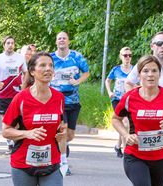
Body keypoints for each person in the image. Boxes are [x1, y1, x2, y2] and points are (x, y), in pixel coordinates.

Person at [112, 55, 163, 186]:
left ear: (159, 74)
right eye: (145, 71)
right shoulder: (129, 97)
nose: (150, 74)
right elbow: (116, 119)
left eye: (154, 70)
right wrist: (126, 135)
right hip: (135, 156)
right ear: (139, 74)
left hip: (162, 157)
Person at [2, 52, 67, 186]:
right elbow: (6, 131)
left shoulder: (59, 98)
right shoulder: (21, 98)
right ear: (32, 71)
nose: (48, 69)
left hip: (51, 162)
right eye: (42, 65)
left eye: (50, 65)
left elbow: (61, 129)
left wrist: (62, 136)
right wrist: (27, 133)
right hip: (23, 164)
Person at [50, 31, 90, 176]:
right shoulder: (51, 58)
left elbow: (86, 72)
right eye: (59, 38)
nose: (61, 40)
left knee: (70, 135)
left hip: (73, 100)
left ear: (68, 41)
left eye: (64, 38)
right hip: (56, 101)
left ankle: (62, 146)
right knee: (63, 129)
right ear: (56, 41)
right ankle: (63, 163)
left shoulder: (76, 56)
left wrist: (78, 81)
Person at [0, 36, 27, 153]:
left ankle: (17, 143)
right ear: (4, 45)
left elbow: (26, 73)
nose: (10, 45)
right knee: (6, 121)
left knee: (19, 120)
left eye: (12, 43)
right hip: (4, 94)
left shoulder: (20, 58)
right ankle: (10, 144)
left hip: (17, 94)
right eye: (8, 43)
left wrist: (24, 86)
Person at [105, 47, 133, 158]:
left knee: (125, 124)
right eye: (125, 55)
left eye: (130, 55)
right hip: (117, 99)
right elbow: (108, 80)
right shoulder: (116, 69)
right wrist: (109, 92)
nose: (127, 58)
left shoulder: (134, 69)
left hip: (130, 100)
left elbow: (140, 81)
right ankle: (126, 150)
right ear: (120, 56)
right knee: (125, 123)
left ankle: (118, 146)